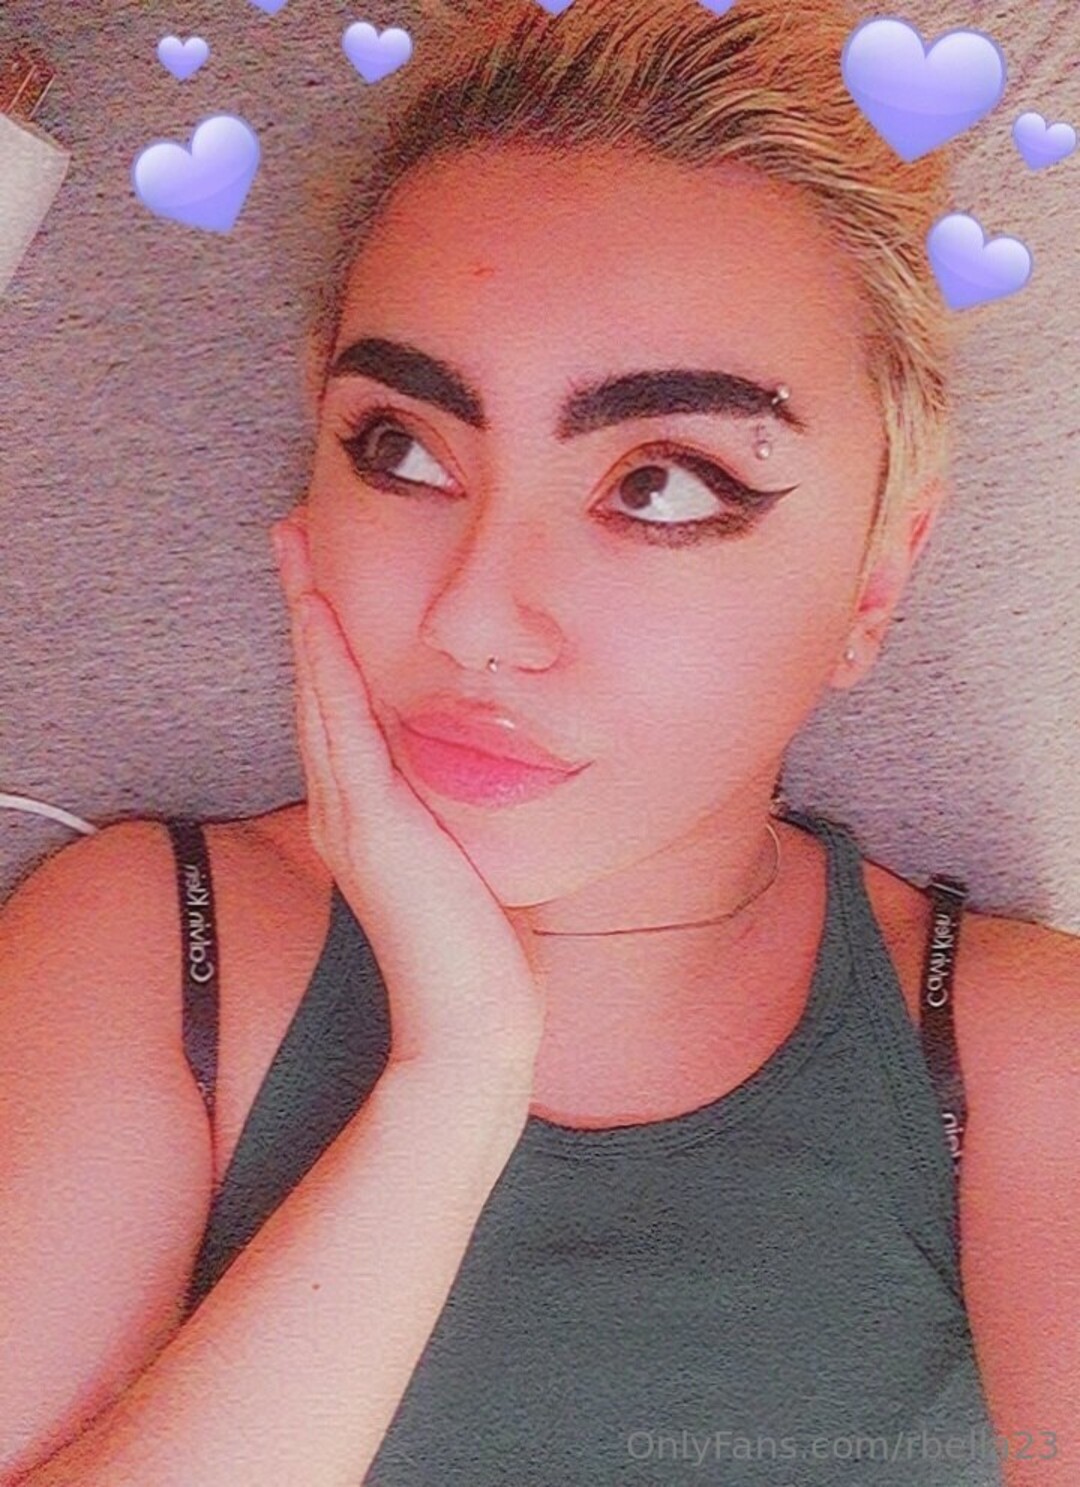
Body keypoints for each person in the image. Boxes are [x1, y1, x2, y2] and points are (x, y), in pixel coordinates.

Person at [1, 0, 1076, 1483]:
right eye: (402, 449)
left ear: (877, 581)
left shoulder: (1018, 1058)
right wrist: (454, 1080)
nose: (475, 618)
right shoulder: (145, 949)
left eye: (668, 484)